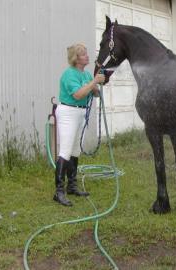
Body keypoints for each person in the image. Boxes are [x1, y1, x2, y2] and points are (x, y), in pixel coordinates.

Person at [53, 43, 105, 206]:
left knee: (75, 150)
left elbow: (93, 92)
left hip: (81, 113)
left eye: (86, 53)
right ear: (76, 58)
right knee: (66, 150)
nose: (87, 56)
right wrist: (94, 82)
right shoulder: (69, 74)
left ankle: (72, 186)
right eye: (83, 54)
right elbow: (77, 94)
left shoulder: (87, 75)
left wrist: (97, 87)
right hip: (68, 112)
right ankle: (59, 192)